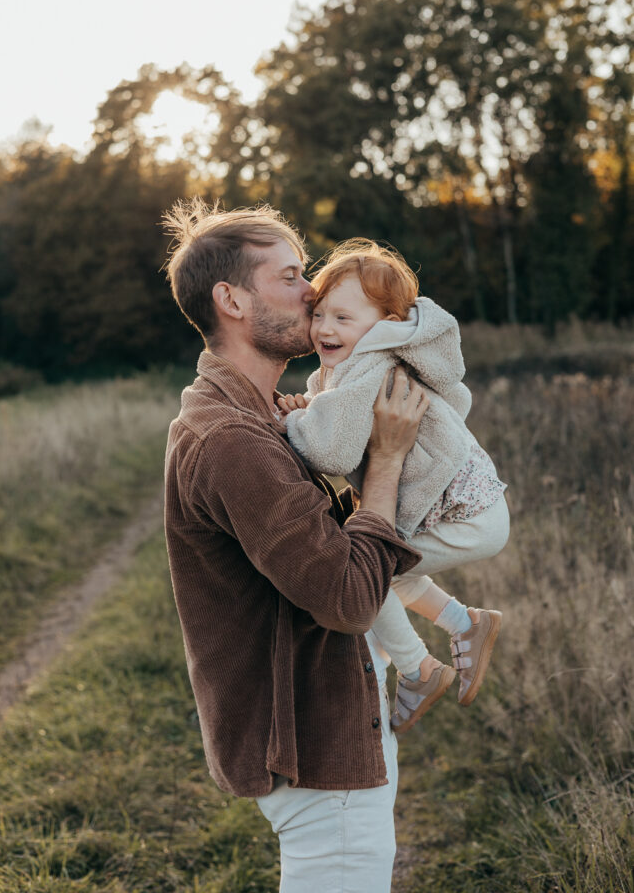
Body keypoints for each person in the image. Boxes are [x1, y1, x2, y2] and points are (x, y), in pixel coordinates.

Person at [162, 198, 429, 893]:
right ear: (232, 300)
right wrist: (389, 460)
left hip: (328, 719)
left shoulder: (260, 418)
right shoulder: (230, 442)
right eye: (288, 276)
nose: (312, 290)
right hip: (309, 741)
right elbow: (344, 599)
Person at [279, 239, 510, 733]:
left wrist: (289, 427)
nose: (324, 328)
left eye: (344, 318)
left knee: (366, 574)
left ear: (385, 326)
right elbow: (343, 421)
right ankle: (464, 624)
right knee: (390, 572)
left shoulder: (370, 364)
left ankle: (417, 669)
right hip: (476, 507)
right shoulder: (363, 364)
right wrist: (312, 409)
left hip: (465, 515)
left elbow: (335, 453)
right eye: (320, 314)